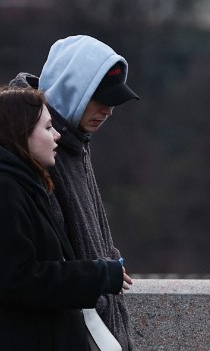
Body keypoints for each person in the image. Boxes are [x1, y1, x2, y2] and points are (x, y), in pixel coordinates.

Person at [0, 86, 132, 351]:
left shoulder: (13, 184)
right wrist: (98, 275)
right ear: (20, 132)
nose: (57, 135)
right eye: (48, 128)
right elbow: (18, 280)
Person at [10, 35, 140, 350]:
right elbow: (35, 268)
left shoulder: (74, 141)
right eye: (100, 99)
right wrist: (99, 275)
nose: (108, 111)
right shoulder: (37, 151)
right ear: (72, 89)